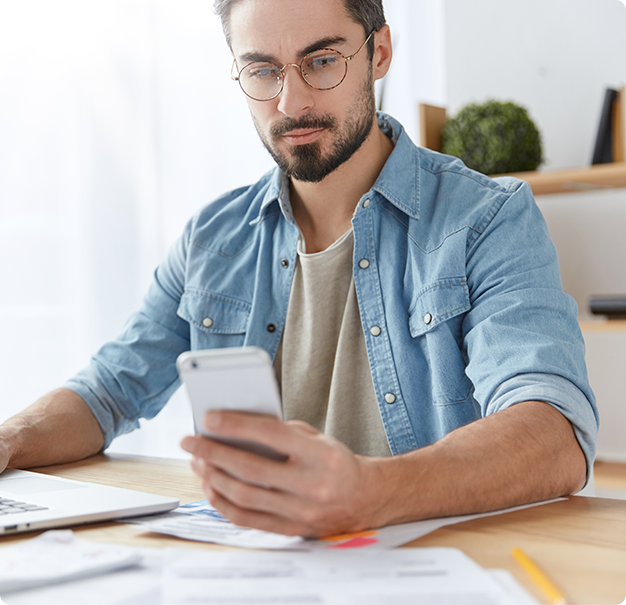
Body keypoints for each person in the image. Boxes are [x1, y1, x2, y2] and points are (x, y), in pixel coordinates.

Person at [0, 0, 597, 538]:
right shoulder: (212, 237)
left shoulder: (487, 218)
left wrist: (368, 493)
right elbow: (107, 391)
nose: (292, 102)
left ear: (379, 52)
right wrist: (11, 439)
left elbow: (553, 431)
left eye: (322, 61)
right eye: (263, 70)